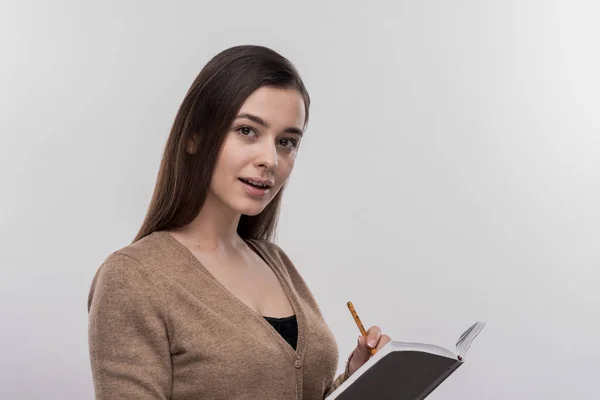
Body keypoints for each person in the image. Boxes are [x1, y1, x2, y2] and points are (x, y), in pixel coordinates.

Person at [87, 44, 391, 399]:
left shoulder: (274, 262)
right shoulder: (133, 277)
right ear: (193, 138)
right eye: (247, 131)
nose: (270, 159)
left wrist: (356, 380)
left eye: (287, 141)